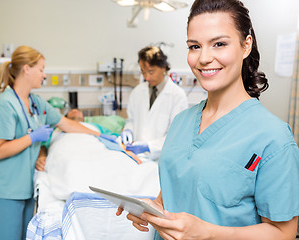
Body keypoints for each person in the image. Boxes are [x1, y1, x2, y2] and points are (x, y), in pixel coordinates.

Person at [117, 0, 299, 239]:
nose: (203, 58)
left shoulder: (273, 137)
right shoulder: (182, 122)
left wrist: (208, 233)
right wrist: (153, 209)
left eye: (219, 44)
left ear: (246, 46)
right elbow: (178, 190)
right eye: (194, 46)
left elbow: (283, 233)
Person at [0, 45, 112, 240]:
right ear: (26, 69)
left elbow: (65, 123)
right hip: (3, 191)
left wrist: (99, 135)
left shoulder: (35, 102)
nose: (44, 75)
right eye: (41, 69)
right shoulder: (4, 104)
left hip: (23, 188)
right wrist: (32, 138)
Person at [122, 46, 188, 160]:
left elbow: (176, 137)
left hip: (161, 160)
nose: (147, 77)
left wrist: (149, 147)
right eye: (143, 72)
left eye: (151, 72)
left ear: (163, 67)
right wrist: (128, 130)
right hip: (136, 158)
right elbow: (131, 120)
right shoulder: (137, 92)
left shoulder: (177, 96)